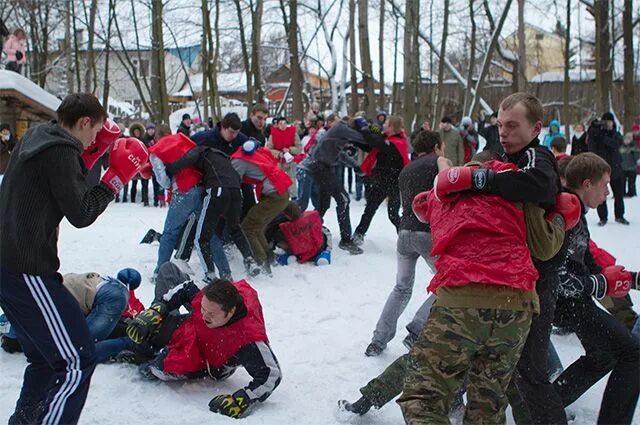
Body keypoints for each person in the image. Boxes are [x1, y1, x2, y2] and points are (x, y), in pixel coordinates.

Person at [0, 93, 147, 424]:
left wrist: (89, 159)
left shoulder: (38, 135)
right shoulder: (61, 151)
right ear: (84, 122)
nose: (95, 140)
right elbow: (81, 212)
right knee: (76, 360)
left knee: (44, 359)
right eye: (94, 133)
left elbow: (63, 189)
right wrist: (115, 179)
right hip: (27, 269)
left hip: (11, 264)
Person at [398, 155, 577, 424]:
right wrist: (561, 218)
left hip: (462, 302)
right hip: (516, 306)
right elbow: (545, 245)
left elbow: (424, 212)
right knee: (488, 403)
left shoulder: (444, 193)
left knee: (423, 397)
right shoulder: (516, 189)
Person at [423, 93, 567, 424]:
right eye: (500, 125)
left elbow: (540, 184)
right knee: (501, 386)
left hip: (532, 283)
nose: (503, 132)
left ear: (536, 127)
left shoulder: (537, 156)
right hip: (503, 285)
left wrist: (479, 180)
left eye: (513, 125)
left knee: (528, 375)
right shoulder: (505, 157)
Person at [552, 152, 639, 424]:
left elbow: (586, 263)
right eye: (604, 185)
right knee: (634, 353)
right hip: (563, 305)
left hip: (576, 303)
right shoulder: (564, 211)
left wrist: (632, 280)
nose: (607, 193)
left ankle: (546, 407)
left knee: (603, 355)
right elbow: (558, 277)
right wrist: (600, 283)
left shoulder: (578, 211)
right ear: (587, 183)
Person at [126, 273, 281, 418]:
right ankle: (142, 335)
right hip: (191, 328)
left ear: (231, 312)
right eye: (203, 308)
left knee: (152, 370)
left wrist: (243, 399)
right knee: (167, 271)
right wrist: (158, 310)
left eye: (211, 313)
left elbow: (271, 374)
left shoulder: (248, 338)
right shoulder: (211, 301)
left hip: (203, 360)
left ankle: (146, 357)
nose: (205, 315)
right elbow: (187, 287)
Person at [364, 130, 442, 357]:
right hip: (427, 232)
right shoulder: (438, 162)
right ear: (437, 146)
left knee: (401, 288)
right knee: (448, 284)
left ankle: (378, 340)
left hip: (405, 231)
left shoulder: (407, 168)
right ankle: (417, 330)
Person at [166, 141, 262, 280]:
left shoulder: (200, 150)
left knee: (202, 237)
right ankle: (249, 260)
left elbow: (185, 161)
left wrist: (168, 170)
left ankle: (210, 274)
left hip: (218, 190)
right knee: (235, 228)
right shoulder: (223, 158)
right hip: (236, 192)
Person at [307, 117, 371, 255]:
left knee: (323, 205)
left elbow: (340, 154)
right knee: (343, 199)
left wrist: (356, 166)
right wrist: (375, 132)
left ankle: (308, 231)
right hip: (320, 167)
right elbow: (363, 138)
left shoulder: (340, 131)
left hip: (322, 167)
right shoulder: (342, 128)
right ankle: (346, 240)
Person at [149, 131, 207, 281]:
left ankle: (160, 271)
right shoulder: (182, 139)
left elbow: (162, 179)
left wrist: (170, 185)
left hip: (183, 190)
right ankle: (217, 270)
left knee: (169, 233)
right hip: (201, 187)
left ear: (156, 139)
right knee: (206, 232)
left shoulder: (156, 151)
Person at [232, 139, 292, 273]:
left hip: (274, 196)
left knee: (248, 227)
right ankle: (269, 259)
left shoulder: (238, 160)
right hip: (280, 192)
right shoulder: (253, 153)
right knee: (257, 227)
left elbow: (233, 184)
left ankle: (261, 264)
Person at [352, 116, 410, 246]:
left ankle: (405, 237)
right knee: (371, 208)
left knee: (391, 213)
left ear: (391, 128)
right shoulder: (387, 138)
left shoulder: (396, 143)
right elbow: (377, 134)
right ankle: (359, 233)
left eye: (386, 124)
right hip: (383, 181)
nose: (383, 126)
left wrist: (364, 128)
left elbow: (375, 141)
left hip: (391, 182)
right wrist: (367, 125)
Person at [589, 112, 628, 225]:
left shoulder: (616, 134)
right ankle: (603, 217)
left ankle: (620, 216)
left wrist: (605, 137)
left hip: (616, 169)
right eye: (606, 122)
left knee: (619, 195)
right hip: (602, 170)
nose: (608, 124)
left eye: (610, 122)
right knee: (601, 195)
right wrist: (594, 130)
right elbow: (591, 148)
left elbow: (618, 144)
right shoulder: (597, 135)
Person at [265, 201, 331, 266]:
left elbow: (278, 240)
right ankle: (324, 256)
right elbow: (324, 229)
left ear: (287, 216)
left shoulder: (285, 228)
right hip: (317, 249)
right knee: (322, 234)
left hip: (299, 254)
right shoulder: (311, 217)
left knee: (283, 243)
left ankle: (288, 259)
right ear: (300, 209)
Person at [267, 116, 302, 198]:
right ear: (277, 125)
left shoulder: (293, 132)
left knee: (292, 179)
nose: (283, 125)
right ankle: (280, 196)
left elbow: (299, 147)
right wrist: (278, 153)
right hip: (278, 161)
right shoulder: (273, 134)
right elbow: (269, 149)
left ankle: (293, 197)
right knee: (279, 179)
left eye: (284, 123)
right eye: (280, 123)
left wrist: (289, 150)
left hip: (291, 159)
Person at [621, 131, 640, 197]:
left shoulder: (634, 146)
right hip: (623, 167)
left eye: (629, 139)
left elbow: (637, 156)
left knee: (631, 182)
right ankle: (622, 193)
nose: (627, 140)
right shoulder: (621, 146)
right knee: (622, 182)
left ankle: (631, 193)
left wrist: (634, 153)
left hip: (632, 168)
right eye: (626, 139)